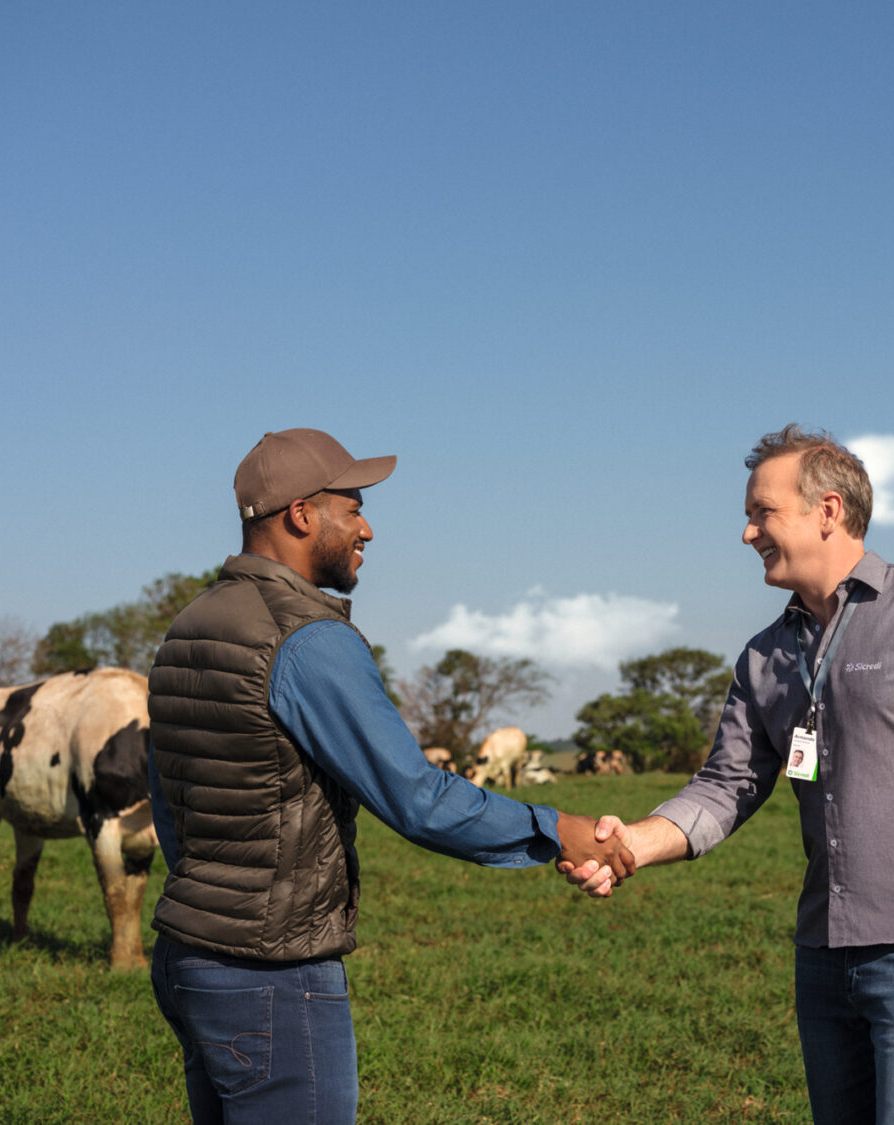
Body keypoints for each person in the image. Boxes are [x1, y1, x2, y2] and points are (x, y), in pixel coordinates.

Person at [562, 424, 894, 1125]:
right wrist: (633, 844)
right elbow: (726, 784)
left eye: (762, 512)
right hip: (823, 950)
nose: (747, 533)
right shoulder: (764, 656)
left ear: (828, 511)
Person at [146, 428, 633, 1124]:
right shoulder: (306, 638)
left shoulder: (188, 628)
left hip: (190, 957)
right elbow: (415, 796)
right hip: (273, 973)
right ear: (301, 514)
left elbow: (171, 798)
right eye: (353, 506)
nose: (367, 527)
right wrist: (556, 826)